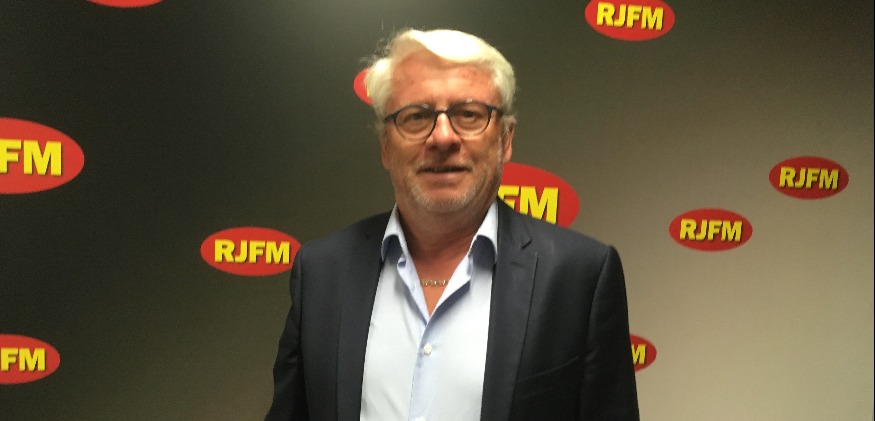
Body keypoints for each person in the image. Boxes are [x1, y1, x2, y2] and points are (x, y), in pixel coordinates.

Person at [266, 28, 639, 421]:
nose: (442, 138)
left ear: (505, 139)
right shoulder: (322, 272)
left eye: (469, 115)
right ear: (385, 146)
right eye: (416, 117)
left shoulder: (580, 277)